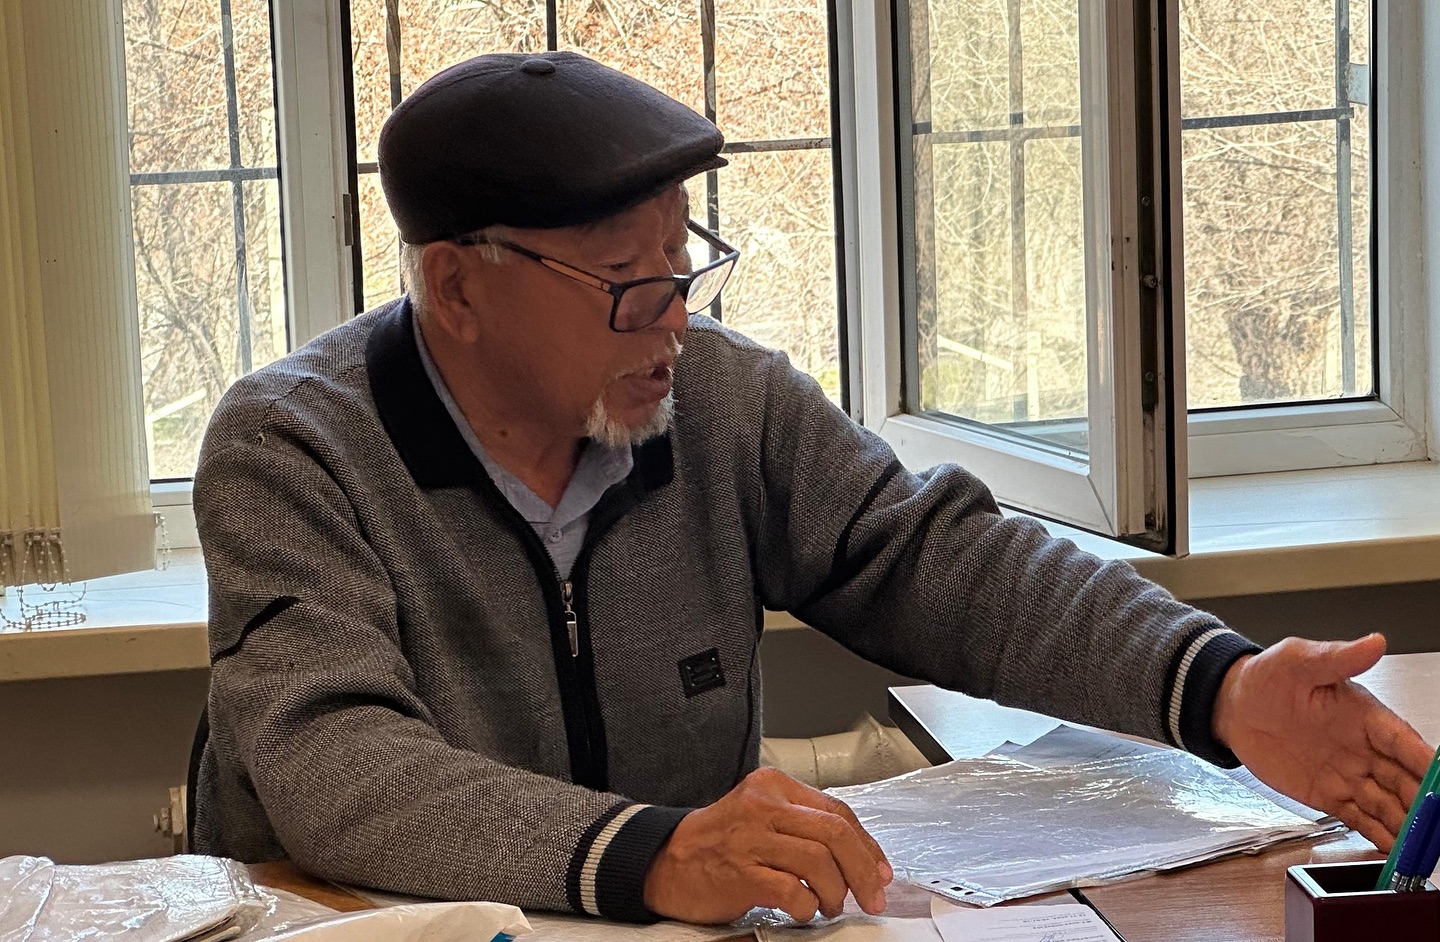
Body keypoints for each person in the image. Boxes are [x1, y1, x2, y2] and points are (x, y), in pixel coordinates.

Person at [191, 51, 1432, 926]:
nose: (675, 320)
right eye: (627, 281)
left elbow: (944, 565)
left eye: (684, 262)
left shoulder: (722, 400)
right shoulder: (292, 448)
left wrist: (1219, 686)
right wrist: (651, 852)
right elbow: (336, 763)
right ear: (458, 289)